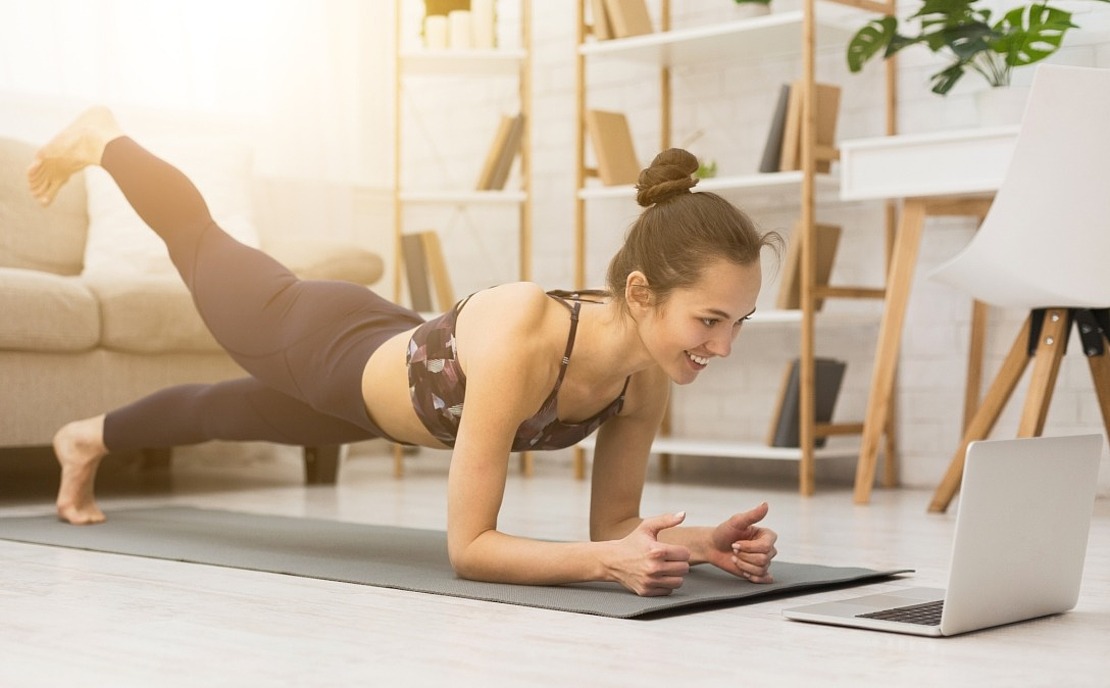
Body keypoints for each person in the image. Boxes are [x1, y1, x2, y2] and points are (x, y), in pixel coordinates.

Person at [28, 107, 781, 597]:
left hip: (374, 382)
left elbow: (615, 526)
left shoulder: (643, 379)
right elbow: (471, 548)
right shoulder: (530, 332)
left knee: (220, 410)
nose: (723, 345)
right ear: (644, 295)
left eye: (739, 323)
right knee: (200, 241)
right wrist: (603, 566)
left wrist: (700, 544)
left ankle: (83, 437)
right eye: (710, 320)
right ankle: (105, 139)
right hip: (317, 338)